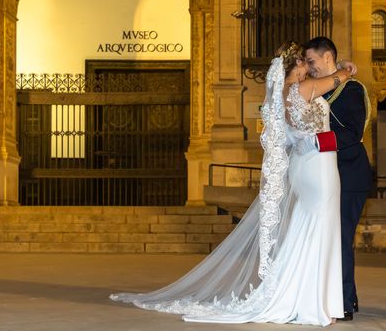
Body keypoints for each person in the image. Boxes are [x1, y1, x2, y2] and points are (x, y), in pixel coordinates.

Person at [110, 41, 353, 326]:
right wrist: (346, 68)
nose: (308, 68)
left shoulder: (283, 94)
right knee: (319, 231)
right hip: (318, 168)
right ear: (295, 66)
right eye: (304, 63)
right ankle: (315, 303)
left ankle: (306, 299)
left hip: (303, 167)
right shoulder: (305, 89)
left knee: (305, 230)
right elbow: (339, 78)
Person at [305, 36, 372, 322]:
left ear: (328, 57)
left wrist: (315, 142)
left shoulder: (352, 90)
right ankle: (342, 298)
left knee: (341, 238)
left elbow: (352, 133)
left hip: (350, 172)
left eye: (312, 62)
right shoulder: (325, 86)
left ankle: (343, 303)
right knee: (330, 238)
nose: (310, 68)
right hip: (327, 174)